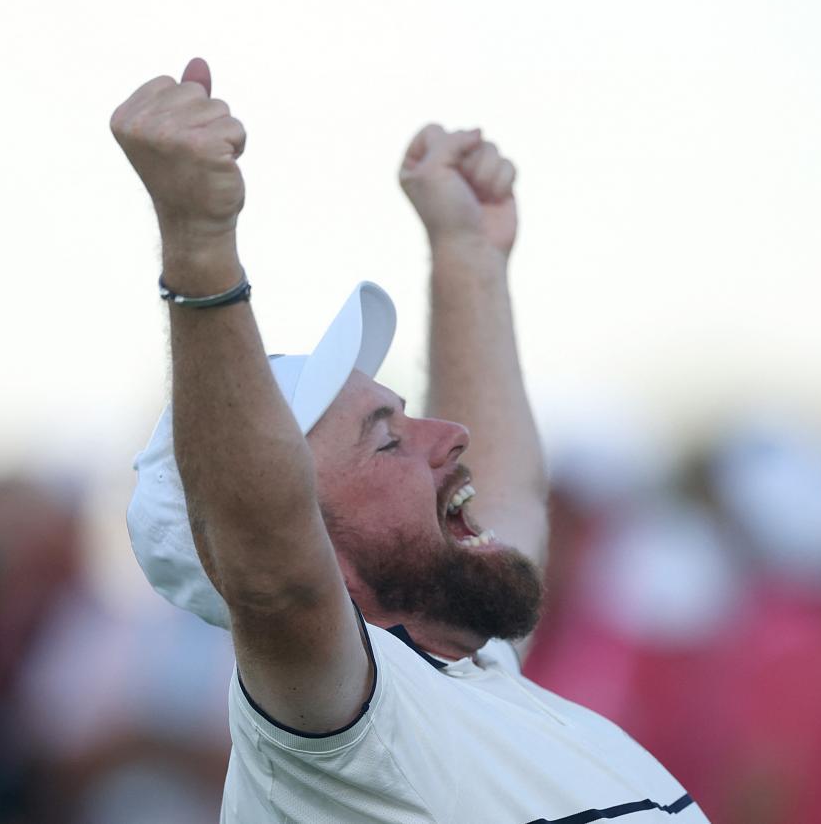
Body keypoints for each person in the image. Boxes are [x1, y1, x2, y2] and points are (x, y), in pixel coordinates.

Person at [112, 58, 709, 823]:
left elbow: (507, 493)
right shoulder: (350, 731)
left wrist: (467, 252)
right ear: (305, 543)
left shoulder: (468, 671)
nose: (451, 436)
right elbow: (267, 563)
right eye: (386, 440)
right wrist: (198, 245)